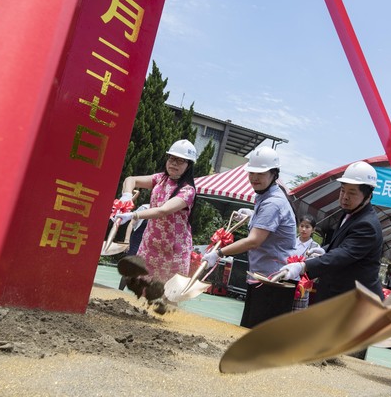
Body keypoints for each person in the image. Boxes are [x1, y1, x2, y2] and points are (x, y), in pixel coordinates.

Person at [202, 146, 296, 328]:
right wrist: (253, 215)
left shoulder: (273, 202)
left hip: (274, 280)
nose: (254, 177)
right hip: (264, 276)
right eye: (252, 172)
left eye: (260, 173)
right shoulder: (265, 195)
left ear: (274, 174)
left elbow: (254, 241)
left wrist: (218, 253)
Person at [278, 161, 384, 302]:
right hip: (339, 296)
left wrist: (303, 266)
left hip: (356, 302)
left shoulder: (367, 225)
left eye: (351, 193)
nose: (345, 197)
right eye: (342, 190)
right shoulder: (350, 214)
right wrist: (325, 250)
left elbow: (343, 254)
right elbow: (342, 244)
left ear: (368, 195)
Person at [114, 139, 197, 293]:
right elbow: (131, 179)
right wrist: (126, 196)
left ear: (189, 165)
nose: (174, 164)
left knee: (168, 295)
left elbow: (163, 211)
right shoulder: (160, 179)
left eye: (180, 161)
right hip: (150, 246)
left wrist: (134, 215)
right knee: (142, 289)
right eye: (171, 158)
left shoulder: (188, 191)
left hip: (174, 252)